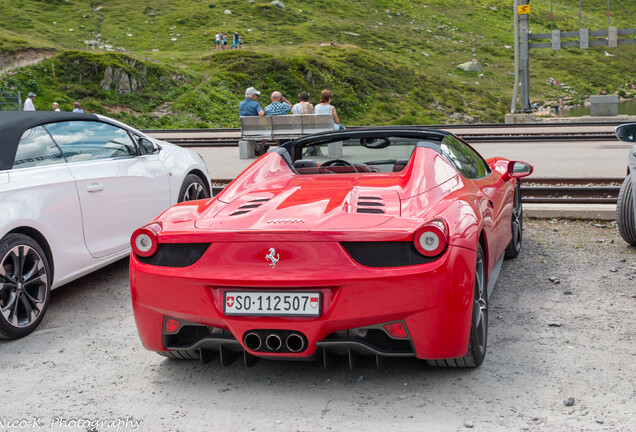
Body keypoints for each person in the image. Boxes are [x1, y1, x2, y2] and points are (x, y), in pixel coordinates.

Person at [239, 87, 267, 155]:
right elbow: (261, 114)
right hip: (255, 127)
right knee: (266, 131)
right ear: (253, 96)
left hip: (245, 128)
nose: (256, 97)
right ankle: (262, 147)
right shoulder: (255, 104)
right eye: (256, 95)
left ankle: (257, 148)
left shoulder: (241, 104)